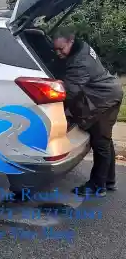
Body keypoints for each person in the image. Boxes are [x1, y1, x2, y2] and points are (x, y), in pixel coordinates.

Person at [52, 29, 124, 197]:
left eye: (61, 49)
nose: (58, 53)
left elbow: (69, 92)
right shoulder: (81, 46)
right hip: (107, 93)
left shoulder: (80, 62)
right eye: (55, 49)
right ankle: (108, 181)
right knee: (105, 141)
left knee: (100, 142)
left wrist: (57, 111)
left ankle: (97, 186)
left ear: (70, 41)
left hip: (104, 99)